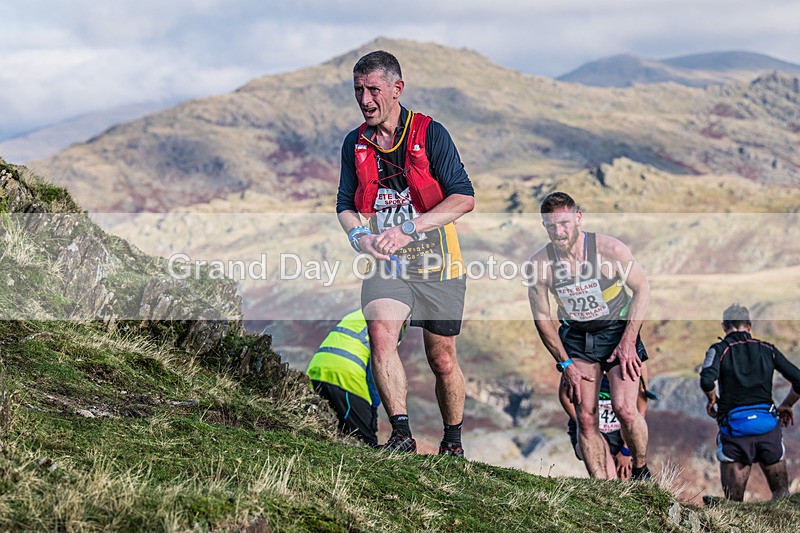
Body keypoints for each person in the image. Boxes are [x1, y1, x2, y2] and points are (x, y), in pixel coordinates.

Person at [336, 51, 475, 456]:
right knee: (381, 335)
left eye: (373, 89)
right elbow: (345, 204)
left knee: (443, 359)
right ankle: (400, 434)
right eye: (358, 90)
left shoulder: (431, 134)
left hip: (439, 262)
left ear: (397, 89)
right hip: (387, 263)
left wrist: (410, 227)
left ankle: (452, 443)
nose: (365, 99)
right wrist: (359, 236)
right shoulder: (354, 142)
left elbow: (463, 198)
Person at [528, 191, 652, 479]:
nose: (558, 232)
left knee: (624, 408)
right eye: (551, 226)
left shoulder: (610, 250)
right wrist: (565, 364)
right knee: (585, 418)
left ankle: (641, 471)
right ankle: (604, 490)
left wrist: (629, 342)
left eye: (565, 224)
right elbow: (542, 318)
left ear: (578, 218)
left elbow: (642, 289)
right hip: (578, 339)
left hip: (618, 333)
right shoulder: (540, 264)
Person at [700, 303, 800, 501]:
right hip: (767, 430)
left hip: (736, 433)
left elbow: (706, 379)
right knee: (781, 495)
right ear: (750, 325)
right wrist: (787, 404)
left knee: (734, 505)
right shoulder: (768, 349)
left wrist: (712, 399)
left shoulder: (719, 349)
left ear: (724, 326)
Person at [307, 309, 399, 446]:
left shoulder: (362, 312)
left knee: (327, 431)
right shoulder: (392, 321)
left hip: (316, 371)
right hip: (346, 377)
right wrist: (373, 408)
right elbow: (377, 370)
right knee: (365, 442)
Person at [559, 366, 656, 479]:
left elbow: (640, 411)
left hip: (620, 433)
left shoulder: (634, 363)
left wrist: (626, 451)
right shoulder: (583, 358)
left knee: (624, 478)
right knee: (607, 472)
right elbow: (564, 395)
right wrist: (587, 425)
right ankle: (607, 490)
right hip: (589, 428)